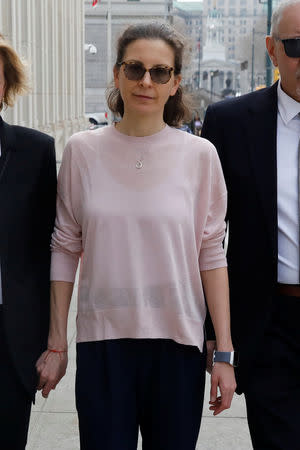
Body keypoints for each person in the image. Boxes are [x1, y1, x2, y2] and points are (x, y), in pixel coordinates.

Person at [37, 22, 236, 450]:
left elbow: (211, 255)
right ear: (117, 74)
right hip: (103, 345)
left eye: (160, 72)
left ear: (175, 83)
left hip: (178, 346)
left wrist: (224, 354)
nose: (146, 81)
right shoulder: (82, 151)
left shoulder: (201, 156)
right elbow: (66, 246)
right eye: (135, 68)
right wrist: (57, 342)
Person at [201, 1, 300, 448]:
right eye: (296, 46)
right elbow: (208, 235)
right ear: (272, 50)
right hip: (269, 324)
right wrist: (215, 336)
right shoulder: (230, 122)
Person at [0, 35, 57, 449]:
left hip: (11, 344)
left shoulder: (36, 152)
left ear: (6, 85)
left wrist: (51, 342)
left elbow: (49, 251)